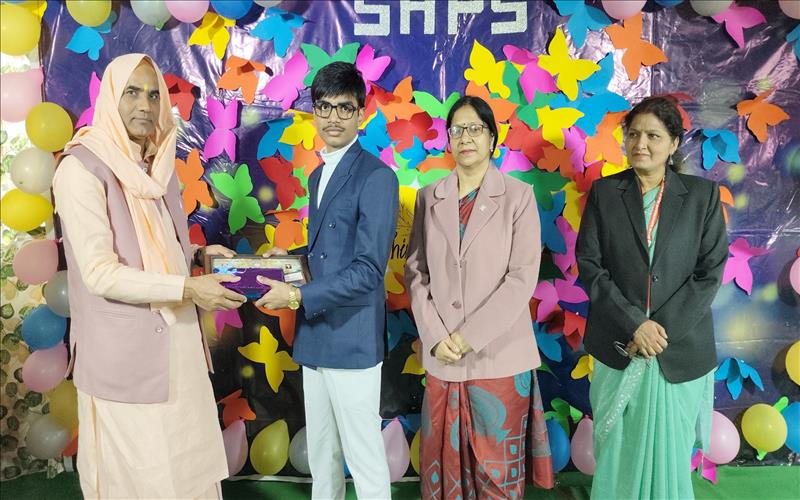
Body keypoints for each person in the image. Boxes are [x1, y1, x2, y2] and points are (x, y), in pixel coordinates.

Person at [52, 54, 247, 499]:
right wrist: (188, 288)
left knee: (187, 474)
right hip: (124, 361)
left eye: (154, 94)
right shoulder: (80, 170)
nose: (145, 105)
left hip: (179, 347)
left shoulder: (156, 167)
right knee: (139, 479)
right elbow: (100, 273)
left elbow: (153, 247)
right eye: (132, 93)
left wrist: (198, 254)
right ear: (110, 98)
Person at [255, 62, 398, 500]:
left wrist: (296, 294)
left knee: (364, 458)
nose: (333, 117)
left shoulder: (377, 177)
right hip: (316, 333)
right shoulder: (319, 174)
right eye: (324, 107)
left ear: (361, 113)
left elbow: (369, 269)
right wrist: (289, 260)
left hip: (352, 338)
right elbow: (329, 253)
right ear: (313, 112)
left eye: (344, 107)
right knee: (322, 455)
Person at [575, 96, 729, 499]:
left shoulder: (702, 196)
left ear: (674, 143)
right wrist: (635, 324)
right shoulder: (605, 193)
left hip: (678, 348)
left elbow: (709, 272)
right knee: (618, 448)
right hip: (619, 343)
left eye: (653, 136)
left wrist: (659, 331)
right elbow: (590, 266)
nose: (640, 143)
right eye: (634, 134)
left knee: (670, 452)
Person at [404, 95, 554, 499]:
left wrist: (468, 337)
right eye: (457, 130)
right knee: (445, 469)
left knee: (497, 474)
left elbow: (521, 278)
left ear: (492, 139)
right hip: (443, 356)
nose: (465, 138)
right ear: (448, 139)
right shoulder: (429, 197)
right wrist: (436, 336)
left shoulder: (518, 197)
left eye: (475, 129)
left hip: (500, 358)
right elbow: (416, 273)